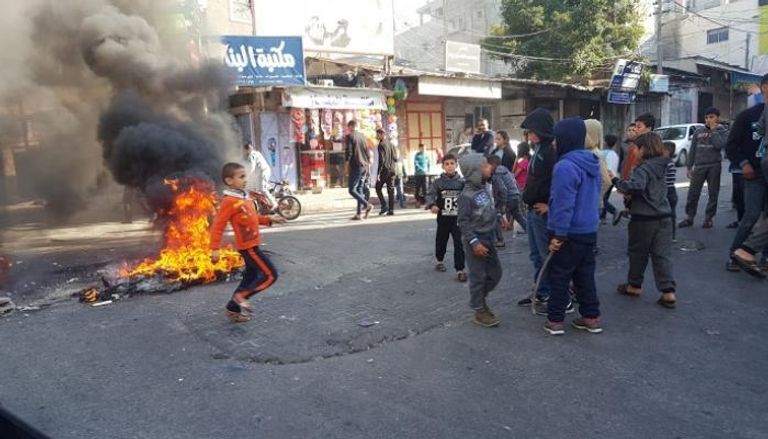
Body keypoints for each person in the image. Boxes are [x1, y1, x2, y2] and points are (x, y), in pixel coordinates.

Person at [544, 117, 602, 335]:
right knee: (584, 274)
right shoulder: (592, 161)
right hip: (589, 230)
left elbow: (563, 203)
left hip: (568, 232)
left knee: (559, 275)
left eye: (556, 139)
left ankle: (555, 320)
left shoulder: (565, 166)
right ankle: (591, 317)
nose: (553, 143)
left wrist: (559, 234)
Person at [210, 162, 286, 323]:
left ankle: (232, 308)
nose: (245, 179)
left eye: (246, 176)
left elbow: (253, 218)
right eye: (241, 176)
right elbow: (218, 225)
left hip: (253, 245)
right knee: (271, 275)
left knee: (249, 278)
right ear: (229, 181)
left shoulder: (244, 197)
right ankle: (241, 296)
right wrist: (214, 248)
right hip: (249, 248)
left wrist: (269, 219)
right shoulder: (229, 201)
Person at [612, 132, 677, 309]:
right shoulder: (665, 165)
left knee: (638, 254)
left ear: (643, 149)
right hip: (664, 216)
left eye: (636, 148)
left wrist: (617, 182)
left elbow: (636, 187)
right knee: (662, 255)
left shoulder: (643, 168)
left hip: (643, 218)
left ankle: (634, 285)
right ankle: (668, 292)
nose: (634, 152)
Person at [517, 108, 572, 315]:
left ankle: (561, 297)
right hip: (532, 210)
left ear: (541, 130)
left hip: (543, 213)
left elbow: (559, 185)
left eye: (532, 131)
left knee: (547, 256)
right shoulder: (539, 150)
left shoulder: (551, 152)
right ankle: (542, 291)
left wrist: (550, 206)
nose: (529, 136)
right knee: (536, 255)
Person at [457, 153, 508, 327]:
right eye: (485, 166)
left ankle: (479, 298)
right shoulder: (466, 196)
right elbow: (462, 222)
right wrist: (474, 243)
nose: (489, 168)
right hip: (475, 241)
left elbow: (490, 208)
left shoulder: (485, 187)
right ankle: (479, 308)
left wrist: (500, 216)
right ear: (475, 172)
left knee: (496, 273)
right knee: (478, 276)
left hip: (488, 237)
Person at [725, 83, 767, 271]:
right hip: (755, 173)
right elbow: (731, 146)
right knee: (751, 215)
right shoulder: (747, 116)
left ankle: (763, 258)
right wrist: (744, 164)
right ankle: (735, 255)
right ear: (765, 87)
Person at [679, 107, 728, 229]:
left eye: (711, 117)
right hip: (699, 166)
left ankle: (708, 218)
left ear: (717, 118)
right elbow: (693, 150)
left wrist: (714, 130)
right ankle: (689, 217)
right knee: (693, 193)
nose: (708, 120)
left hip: (714, 166)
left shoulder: (722, 130)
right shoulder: (698, 131)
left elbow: (719, 145)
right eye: (706, 117)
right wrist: (689, 167)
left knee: (713, 193)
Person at [425, 153, 467, 282]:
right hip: (443, 218)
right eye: (447, 164)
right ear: (443, 166)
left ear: (456, 165)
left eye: (452, 164)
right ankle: (439, 260)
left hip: (457, 219)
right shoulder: (438, 182)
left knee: (459, 243)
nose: (449, 166)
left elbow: (469, 196)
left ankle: (460, 269)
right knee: (441, 240)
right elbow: (430, 194)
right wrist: (432, 205)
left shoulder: (462, 182)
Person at [488, 155, 525, 249]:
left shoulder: (497, 174)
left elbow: (503, 189)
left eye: (488, 165)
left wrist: (503, 204)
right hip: (516, 195)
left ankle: (500, 240)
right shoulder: (506, 170)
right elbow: (514, 182)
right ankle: (532, 233)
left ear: (493, 165)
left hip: (509, 198)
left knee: (495, 216)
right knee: (518, 216)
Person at [345, 120, 373, 220]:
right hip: (365, 166)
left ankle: (367, 204)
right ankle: (358, 214)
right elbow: (367, 152)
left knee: (351, 190)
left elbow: (349, 152)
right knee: (359, 189)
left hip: (356, 166)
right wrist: (368, 165)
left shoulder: (350, 136)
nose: (348, 129)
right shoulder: (363, 137)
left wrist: (346, 165)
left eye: (348, 127)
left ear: (351, 126)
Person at [242, 142, 275, 207]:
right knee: (258, 187)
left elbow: (252, 167)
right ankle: (266, 202)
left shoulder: (251, 155)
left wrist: (247, 175)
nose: (244, 152)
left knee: (262, 189)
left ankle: (274, 204)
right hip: (264, 171)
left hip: (263, 172)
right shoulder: (257, 153)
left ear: (246, 149)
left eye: (244, 150)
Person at [374, 129, 397, 216]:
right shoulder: (391, 144)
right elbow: (396, 158)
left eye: (377, 134)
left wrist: (378, 173)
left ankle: (384, 205)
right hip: (392, 170)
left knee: (377, 187)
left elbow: (381, 160)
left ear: (381, 134)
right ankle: (391, 210)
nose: (376, 136)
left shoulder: (381, 145)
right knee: (391, 190)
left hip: (385, 170)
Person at [601, 134, 620, 223]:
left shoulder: (603, 153)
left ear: (605, 142)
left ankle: (614, 211)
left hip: (606, 178)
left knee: (601, 199)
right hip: (613, 178)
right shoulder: (615, 154)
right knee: (605, 198)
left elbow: (604, 168)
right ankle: (603, 217)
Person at [662, 141, 679, 242]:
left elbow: (665, 178)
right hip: (671, 190)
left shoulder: (667, 163)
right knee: (671, 214)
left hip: (668, 191)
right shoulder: (669, 162)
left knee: (669, 214)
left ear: (667, 151)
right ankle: (671, 235)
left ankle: (670, 235)